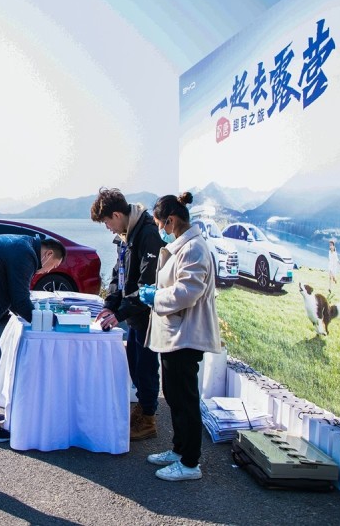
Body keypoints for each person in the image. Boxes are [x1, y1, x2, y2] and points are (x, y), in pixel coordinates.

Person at [139, 192, 222, 482]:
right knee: (174, 396)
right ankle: (179, 449)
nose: (160, 229)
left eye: (160, 223)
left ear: (171, 221)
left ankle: (190, 463)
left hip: (186, 335)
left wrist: (156, 296)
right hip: (175, 333)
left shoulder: (194, 249)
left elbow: (187, 292)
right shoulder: (182, 246)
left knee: (185, 398)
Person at [0, 234, 65, 442]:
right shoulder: (25, 253)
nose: (48, 271)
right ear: (49, 254)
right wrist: (49, 320)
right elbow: (19, 298)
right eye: (52, 266)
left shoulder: (21, 245)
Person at [90, 188, 165, 441]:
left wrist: (120, 312)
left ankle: (148, 419)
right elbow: (117, 276)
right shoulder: (125, 234)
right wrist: (109, 305)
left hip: (146, 315)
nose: (107, 228)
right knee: (134, 364)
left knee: (145, 367)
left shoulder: (147, 234)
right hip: (133, 315)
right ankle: (142, 410)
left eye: (107, 222)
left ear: (117, 214)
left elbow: (147, 285)